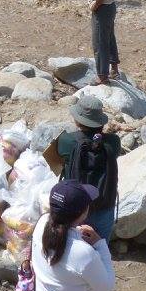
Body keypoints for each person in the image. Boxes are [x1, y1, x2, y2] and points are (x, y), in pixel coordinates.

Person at [31, 180, 115, 291]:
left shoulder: (42, 223)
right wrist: (101, 245)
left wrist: (75, 231)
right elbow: (107, 287)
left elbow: (61, 245)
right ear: (82, 213)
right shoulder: (83, 253)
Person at [56, 97, 119, 242]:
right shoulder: (114, 142)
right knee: (101, 249)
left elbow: (59, 158)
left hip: (75, 208)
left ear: (78, 121)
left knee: (73, 251)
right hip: (104, 206)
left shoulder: (67, 140)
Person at [87, 0, 121, 85]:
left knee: (100, 42)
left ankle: (102, 76)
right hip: (111, 6)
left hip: (102, 9)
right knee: (109, 37)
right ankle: (114, 69)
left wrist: (95, 5)